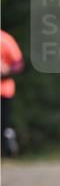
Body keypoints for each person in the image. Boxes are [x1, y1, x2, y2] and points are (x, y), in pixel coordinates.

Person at [0, 29, 24, 157]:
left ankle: (8, 139)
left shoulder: (4, 39)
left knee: (4, 125)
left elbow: (18, 63)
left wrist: (7, 70)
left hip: (3, 90)